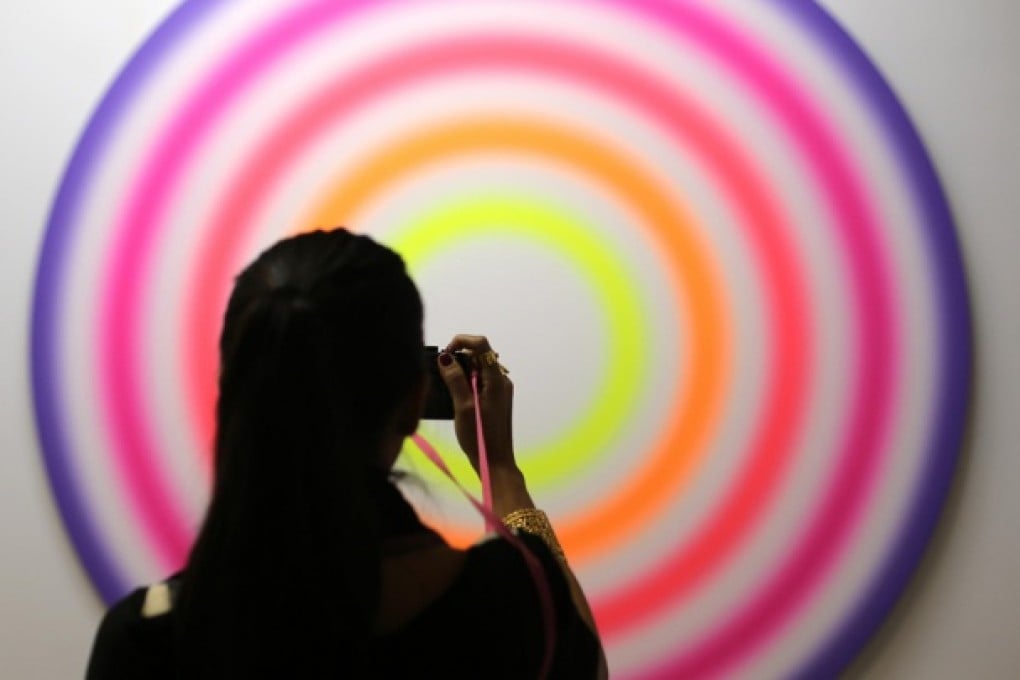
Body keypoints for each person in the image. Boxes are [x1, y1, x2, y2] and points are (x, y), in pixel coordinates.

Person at [86, 229, 607, 678]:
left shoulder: (147, 639)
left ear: (233, 396)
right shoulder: (507, 608)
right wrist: (500, 469)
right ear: (410, 404)